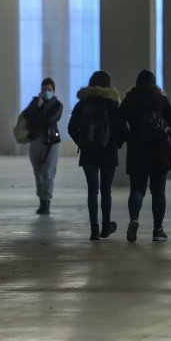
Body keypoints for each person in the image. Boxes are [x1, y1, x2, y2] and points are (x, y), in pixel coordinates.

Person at [120, 69, 171, 242]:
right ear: (154, 82)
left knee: (137, 189)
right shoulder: (161, 99)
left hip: (136, 151)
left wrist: (128, 137)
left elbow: (118, 121)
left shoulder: (129, 99)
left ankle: (134, 220)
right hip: (160, 151)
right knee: (159, 192)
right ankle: (158, 230)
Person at [67, 71, 125, 241]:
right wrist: (117, 143)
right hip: (108, 153)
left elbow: (71, 128)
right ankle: (106, 226)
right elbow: (121, 129)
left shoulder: (83, 104)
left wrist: (82, 143)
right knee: (106, 191)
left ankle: (94, 230)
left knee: (92, 191)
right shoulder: (112, 104)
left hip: (88, 154)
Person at [21, 77, 63, 215]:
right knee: (38, 171)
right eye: (44, 89)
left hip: (51, 141)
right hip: (36, 140)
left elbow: (49, 120)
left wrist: (38, 113)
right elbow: (25, 116)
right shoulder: (35, 103)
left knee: (48, 172)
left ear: (54, 91)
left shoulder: (57, 105)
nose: (46, 92)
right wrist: (36, 106)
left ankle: (46, 201)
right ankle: (41, 199)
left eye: (49, 89)